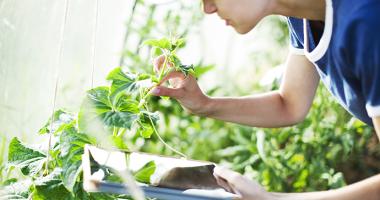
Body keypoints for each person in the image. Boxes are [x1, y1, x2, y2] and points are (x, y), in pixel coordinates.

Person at [150, 0, 380, 199]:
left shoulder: (367, 22)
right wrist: (204, 104)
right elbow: (290, 104)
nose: (207, 8)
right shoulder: (304, 17)